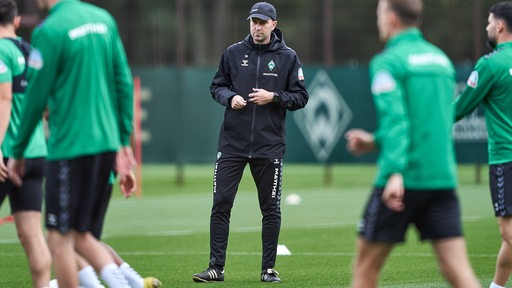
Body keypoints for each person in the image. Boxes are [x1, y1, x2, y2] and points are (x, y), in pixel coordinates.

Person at [344, 0, 481, 287]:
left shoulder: (388, 62)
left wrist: (394, 171)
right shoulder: (441, 61)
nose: (378, 18)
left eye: (379, 12)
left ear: (391, 18)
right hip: (441, 179)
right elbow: (424, 123)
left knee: (364, 271)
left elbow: (397, 121)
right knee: (457, 271)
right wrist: (373, 142)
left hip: (401, 180)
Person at [7, 0, 137, 287]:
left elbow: (35, 97)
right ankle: (132, 283)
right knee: (81, 234)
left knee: (59, 238)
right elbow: (123, 82)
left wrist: (16, 150)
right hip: (106, 146)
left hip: (69, 148)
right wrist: (123, 142)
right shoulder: (103, 19)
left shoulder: (49, 30)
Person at [192, 1, 308, 283]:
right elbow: (216, 86)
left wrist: (275, 97)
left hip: (269, 147)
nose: (257, 27)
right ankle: (215, 268)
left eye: (262, 22)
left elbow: (301, 97)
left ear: (273, 25)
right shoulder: (233, 53)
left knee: (270, 208)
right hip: (233, 144)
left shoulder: (288, 57)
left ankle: (268, 269)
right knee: (221, 204)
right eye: (253, 21)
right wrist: (229, 98)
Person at [454, 2, 512, 288]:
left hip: (506, 158)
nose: (486, 27)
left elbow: (460, 108)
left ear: (500, 26)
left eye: (489, 22)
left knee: (509, 232)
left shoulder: (490, 64)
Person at [0, 0, 52, 287]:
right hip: (35, 154)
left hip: (7, 155)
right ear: (16, 21)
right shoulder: (31, 51)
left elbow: (4, 100)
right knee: (31, 234)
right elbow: (45, 105)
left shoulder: (0, 52)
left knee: (30, 233)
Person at [48, 171, 162, 288]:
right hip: (101, 174)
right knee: (86, 241)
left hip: (82, 171)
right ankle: (136, 281)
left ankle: (119, 283)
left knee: (68, 238)